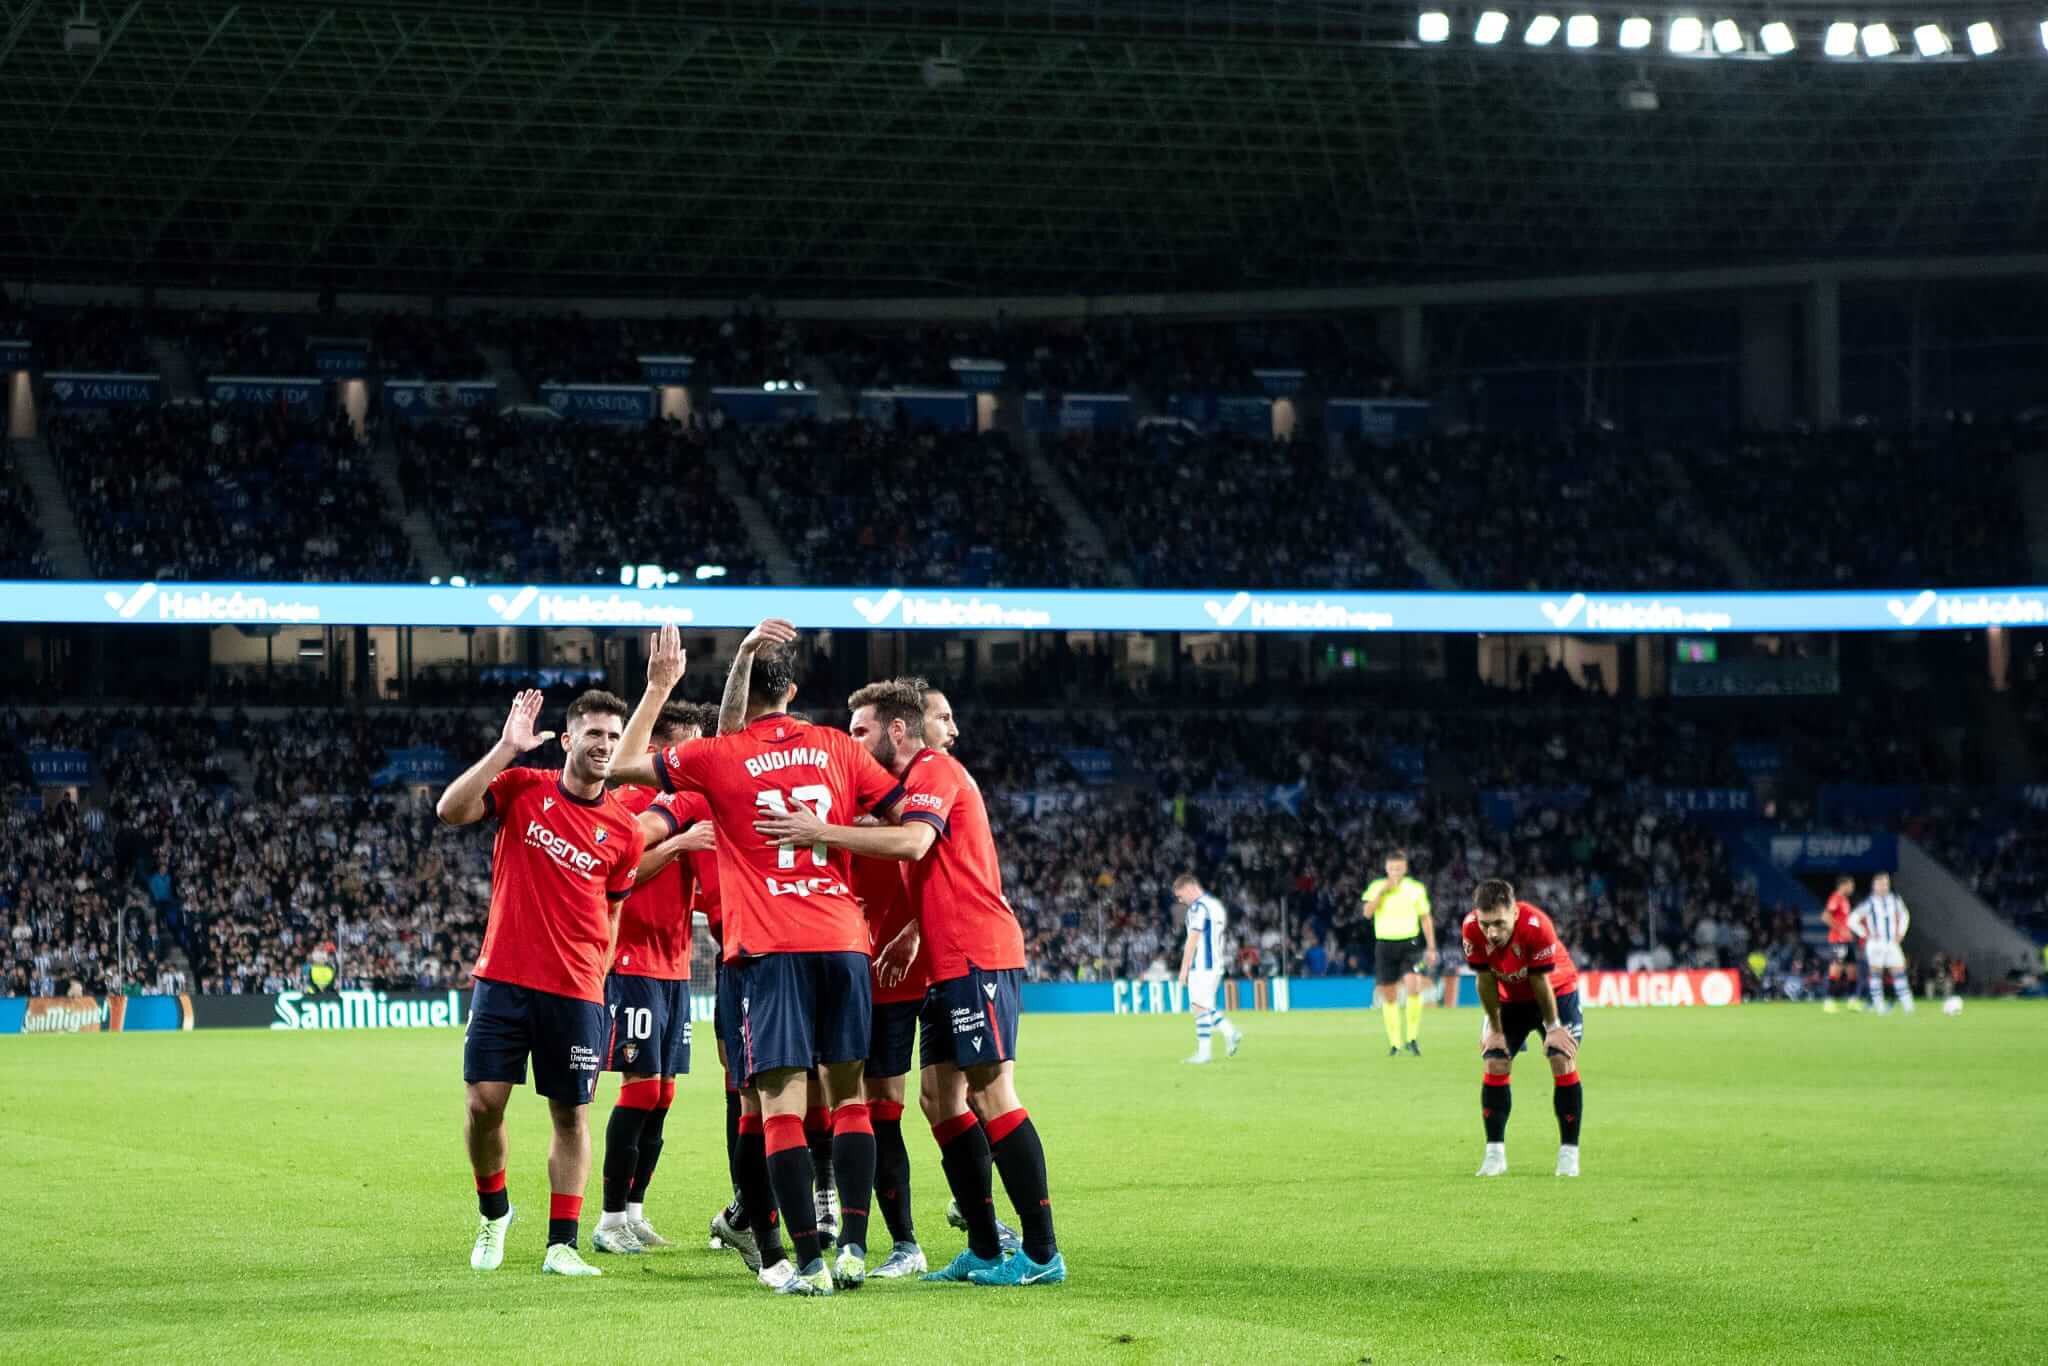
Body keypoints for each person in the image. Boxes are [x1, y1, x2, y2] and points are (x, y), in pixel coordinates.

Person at [608, 619, 899, 1297]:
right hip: (837, 937)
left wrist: (663, 686)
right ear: (793, 689)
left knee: (769, 1104)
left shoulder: (719, 761)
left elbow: (626, 775)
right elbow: (902, 817)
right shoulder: (833, 748)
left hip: (763, 950)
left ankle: (800, 1255)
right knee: (840, 1096)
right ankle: (837, 1241)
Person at [755, 677, 1065, 1287]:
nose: (852, 742)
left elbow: (916, 842)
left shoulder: (935, 770)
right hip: (948, 959)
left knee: (993, 1094)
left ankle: (1040, 1253)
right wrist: (915, 932)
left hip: (978, 953)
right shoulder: (917, 779)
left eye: (861, 731)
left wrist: (819, 831)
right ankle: (981, 1248)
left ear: (897, 730)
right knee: (941, 1100)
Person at [437, 689, 648, 1277]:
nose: (605, 745)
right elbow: (450, 811)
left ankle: (563, 1244)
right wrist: (505, 749)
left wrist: (598, 972)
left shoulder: (625, 831)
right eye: (595, 734)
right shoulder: (523, 786)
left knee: (570, 1116)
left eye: (613, 735)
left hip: (577, 990)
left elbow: (613, 910)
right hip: (503, 978)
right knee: (484, 1106)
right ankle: (494, 1212)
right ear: (568, 739)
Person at [592, 689, 717, 1256]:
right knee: (639, 1092)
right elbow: (622, 871)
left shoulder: (688, 803)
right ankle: (609, 1218)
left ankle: (636, 1212)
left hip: (674, 969)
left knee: (664, 1095)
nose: (696, 759)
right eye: (687, 749)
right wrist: (681, 845)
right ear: (665, 749)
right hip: (633, 962)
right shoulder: (638, 802)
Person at [1462, 879, 1583, 1179]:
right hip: (1509, 998)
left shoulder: (1537, 926)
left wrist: (1553, 1026)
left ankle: (1569, 1154)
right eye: (1485, 923)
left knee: (1560, 1056)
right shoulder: (1470, 929)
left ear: (1515, 913)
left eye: (1499, 923)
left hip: (1556, 992)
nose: (1492, 932)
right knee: (1495, 1058)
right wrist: (1495, 1027)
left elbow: (1540, 982)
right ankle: (1494, 1155)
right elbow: (1485, 980)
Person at [1362, 850, 1436, 1057]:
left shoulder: (1415, 888)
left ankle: (1412, 1038)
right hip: (1385, 944)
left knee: (1413, 986)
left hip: (1410, 943)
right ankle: (1395, 1043)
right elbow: (1367, 913)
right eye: (1392, 868)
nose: (1395, 872)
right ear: (1386, 868)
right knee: (1389, 993)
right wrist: (1382, 892)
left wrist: (1431, 947)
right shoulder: (1377, 887)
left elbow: (1426, 918)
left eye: (1399, 868)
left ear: (1405, 868)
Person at [1172, 874, 1243, 1064]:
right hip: (1216, 964)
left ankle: (1207, 1051)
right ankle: (1228, 1034)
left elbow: (1192, 939)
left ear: (1189, 888)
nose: (1181, 901)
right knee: (1202, 1005)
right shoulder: (1216, 906)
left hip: (1202, 965)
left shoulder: (1197, 908)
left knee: (1199, 1006)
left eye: (1180, 896)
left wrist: (1184, 969)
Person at [1849, 872, 1914, 1015]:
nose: (1884, 887)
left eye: (1886, 884)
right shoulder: (1869, 903)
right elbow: (1852, 920)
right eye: (1880, 884)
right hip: (1876, 944)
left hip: (1891, 943)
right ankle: (1879, 1007)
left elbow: (1905, 915)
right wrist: (1866, 934)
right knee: (1876, 974)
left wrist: (1901, 933)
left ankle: (1908, 1007)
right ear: (1874, 886)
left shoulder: (1895, 900)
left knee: (1899, 972)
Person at [1821, 875, 1863, 1014]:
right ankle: (1828, 1001)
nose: (1852, 888)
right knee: (1836, 971)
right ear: (1843, 885)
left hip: (1847, 941)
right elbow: (1825, 916)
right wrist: (1841, 930)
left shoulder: (1845, 900)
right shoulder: (1836, 897)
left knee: (1852, 971)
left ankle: (1852, 1001)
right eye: (1851, 885)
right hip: (1837, 941)